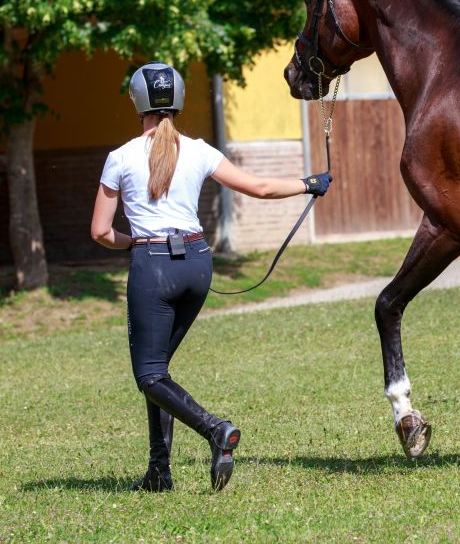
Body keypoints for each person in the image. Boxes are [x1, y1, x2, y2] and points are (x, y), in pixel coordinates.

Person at [90, 62, 331, 492]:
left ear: (137, 102)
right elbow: (258, 187)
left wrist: (132, 244)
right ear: (178, 101)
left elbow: (100, 231)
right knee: (159, 371)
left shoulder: (120, 158)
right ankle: (159, 471)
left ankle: (215, 429)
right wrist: (308, 183)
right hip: (198, 264)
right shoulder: (200, 150)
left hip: (153, 267)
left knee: (149, 374)